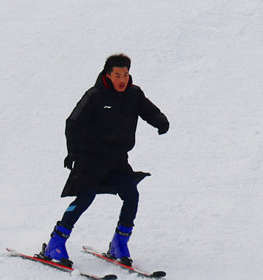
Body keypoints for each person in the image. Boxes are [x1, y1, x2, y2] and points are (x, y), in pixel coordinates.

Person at [39, 53, 170, 268]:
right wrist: (73, 152)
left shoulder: (134, 94)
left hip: (117, 159)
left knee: (131, 194)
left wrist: (160, 120)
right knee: (85, 198)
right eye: (117, 75)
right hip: (91, 159)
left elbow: (149, 110)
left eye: (125, 75)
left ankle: (119, 243)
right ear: (108, 75)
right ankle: (56, 243)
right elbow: (72, 123)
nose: (122, 80)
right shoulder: (95, 96)